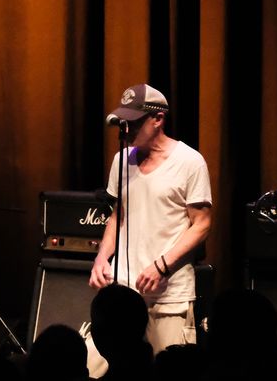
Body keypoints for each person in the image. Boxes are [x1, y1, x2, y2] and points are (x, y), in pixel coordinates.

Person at [88, 83, 212, 353]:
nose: (126, 130)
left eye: (133, 123)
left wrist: (162, 266)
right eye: (123, 124)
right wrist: (101, 258)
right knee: (97, 368)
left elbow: (202, 224)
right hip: (123, 295)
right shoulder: (121, 160)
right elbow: (117, 216)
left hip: (168, 296)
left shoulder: (190, 162)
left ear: (158, 119)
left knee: (167, 373)